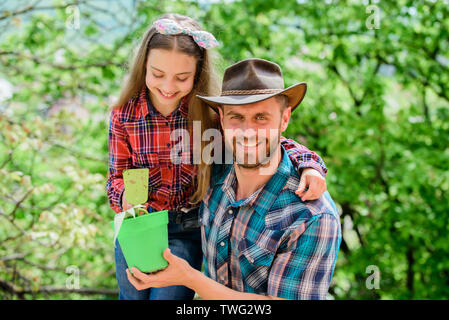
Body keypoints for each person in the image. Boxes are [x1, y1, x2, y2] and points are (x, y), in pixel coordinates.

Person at [107, 13, 329, 300]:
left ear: (197, 74)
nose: (168, 87)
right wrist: (127, 197)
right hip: (140, 223)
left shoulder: (208, 114)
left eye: (182, 77)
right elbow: (117, 176)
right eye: (157, 74)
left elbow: (263, 141)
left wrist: (310, 165)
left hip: (185, 226)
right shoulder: (125, 114)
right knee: (133, 296)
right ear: (143, 68)